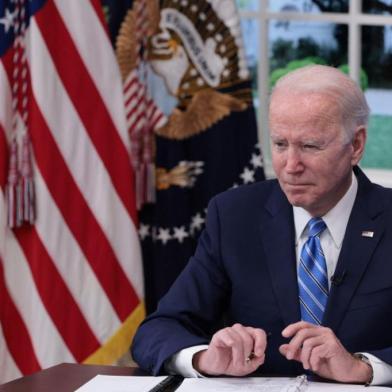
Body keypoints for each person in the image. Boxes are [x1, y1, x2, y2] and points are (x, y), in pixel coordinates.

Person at [131, 65, 392, 385]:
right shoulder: (234, 216)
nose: (291, 165)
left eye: (310, 146)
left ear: (356, 145)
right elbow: (157, 330)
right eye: (280, 144)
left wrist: (363, 367)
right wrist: (204, 357)